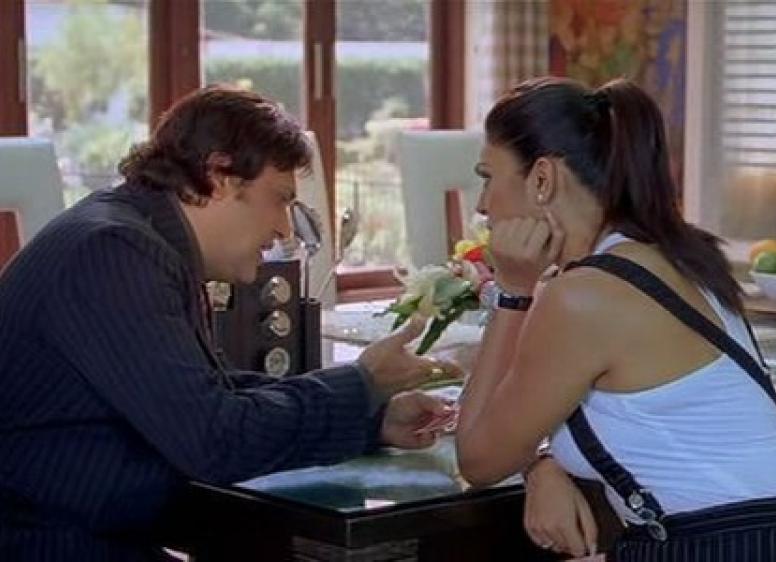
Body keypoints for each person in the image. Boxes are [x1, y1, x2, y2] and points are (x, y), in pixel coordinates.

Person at [0, 86, 459, 561]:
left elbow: (214, 394)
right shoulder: (114, 252)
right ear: (219, 176)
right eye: (279, 200)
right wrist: (363, 382)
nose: (283, 229)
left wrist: (372, 418)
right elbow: (215, 439)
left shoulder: (139, 239)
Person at [456, 77, 776, 561]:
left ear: (542, 179)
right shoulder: (677, 255)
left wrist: (514, 291)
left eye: (487, 177)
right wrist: (542, 464)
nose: (482, 205)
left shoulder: (584, 297)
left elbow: (478, 459)